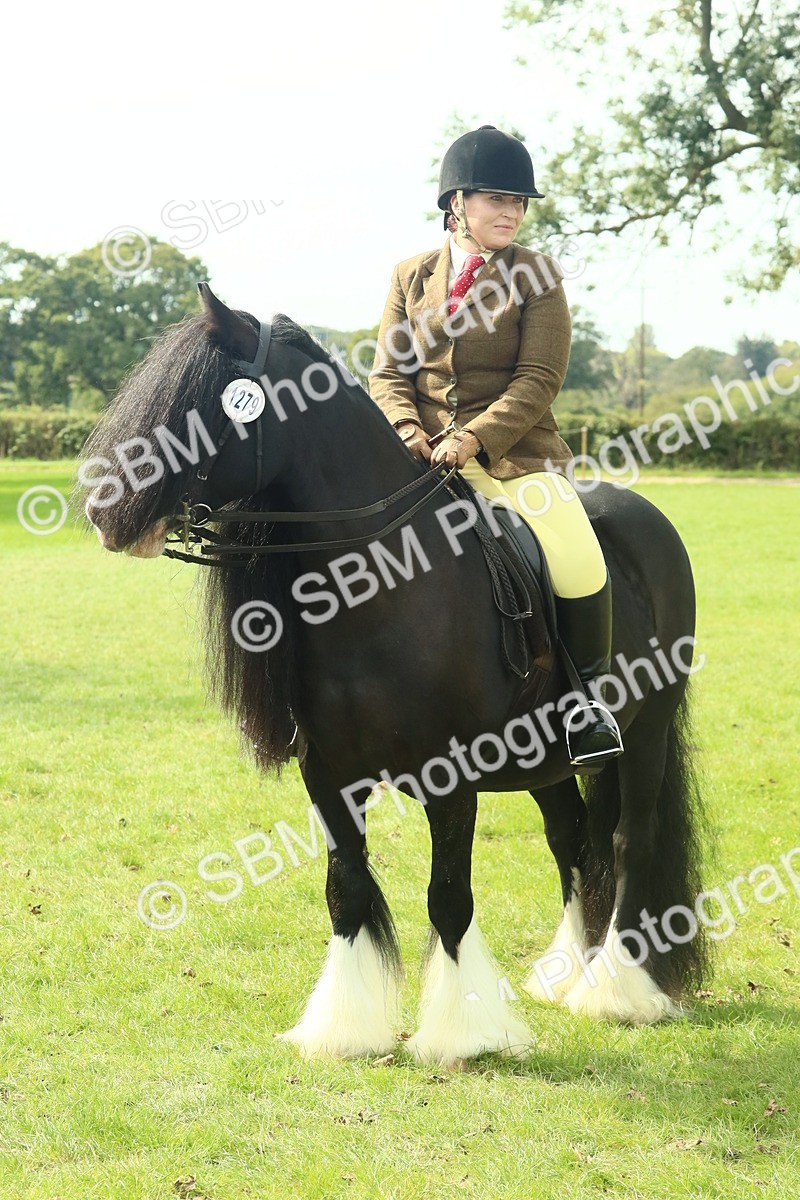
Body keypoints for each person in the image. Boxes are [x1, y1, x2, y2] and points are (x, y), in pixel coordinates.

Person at [368, 125, 622, 770]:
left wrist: (477, 437)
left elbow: (539, 377)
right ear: (457, 202)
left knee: (575, 557)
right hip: (415, 458)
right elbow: (388, 373)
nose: (511, 212)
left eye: (519, 202)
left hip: (513, 458)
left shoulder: (535, 274)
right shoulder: (410, 275)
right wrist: (407, 432)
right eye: (496, 199)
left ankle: (588, 705)